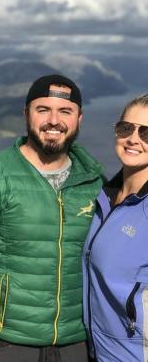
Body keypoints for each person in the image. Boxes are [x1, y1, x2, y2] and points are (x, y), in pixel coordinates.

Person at [0, 74, 104, 362]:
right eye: (43, 110)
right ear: (26, 113)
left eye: (65, 111)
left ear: (79, 117)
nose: (54, 120)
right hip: (8, 343)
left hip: (79, 343)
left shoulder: (94, 181)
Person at [83, 95, 148, 362]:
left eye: (146, 132)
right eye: (126, 128)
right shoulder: (104, 197)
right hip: (98, 352)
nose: (133, 138)